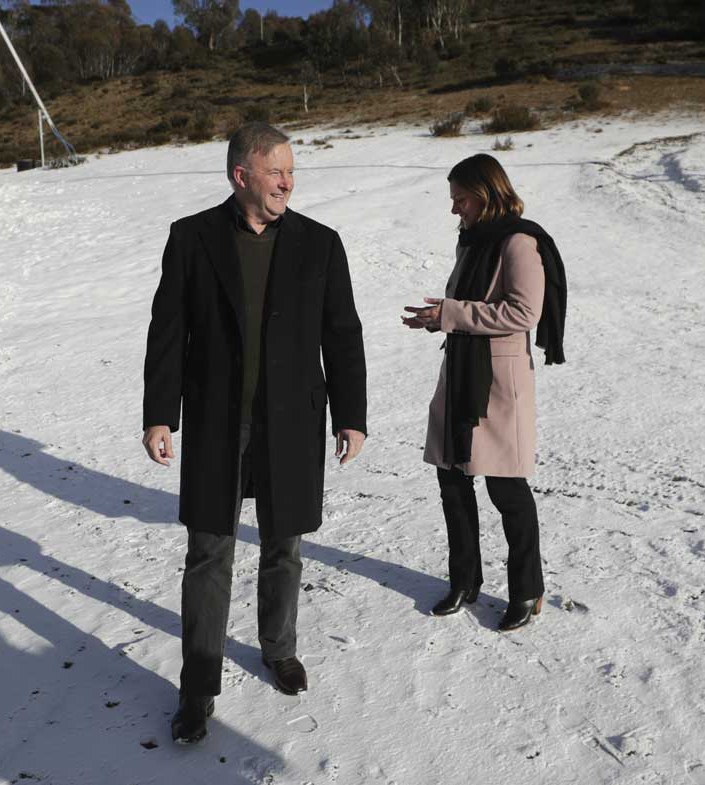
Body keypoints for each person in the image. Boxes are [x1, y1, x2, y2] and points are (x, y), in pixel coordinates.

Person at [143, 122, 367, 744]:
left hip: (291, 422)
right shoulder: (191, 238)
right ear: (241, 175)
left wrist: (351, 414)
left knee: (283, 544)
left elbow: (342, 334)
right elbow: (168, 331)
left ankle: (279, 648)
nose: (288, 183)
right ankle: (197, 685)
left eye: (292, 172)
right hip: (217, 421)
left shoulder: (321, 243)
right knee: (208, 552)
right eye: (276, 172)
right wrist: (159, 414)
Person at [402, 153, 566, 632]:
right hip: (461, 372)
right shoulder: (471, 241)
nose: (455, 208)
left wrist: (451, 314)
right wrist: (438, 319)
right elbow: (469, 305)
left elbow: (523, 313)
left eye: (461, 199)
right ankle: (464, 581)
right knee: (452, 481)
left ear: (485, 193)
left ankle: (527, 589)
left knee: (505, 488)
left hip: (497, 380)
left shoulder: (519, 242)